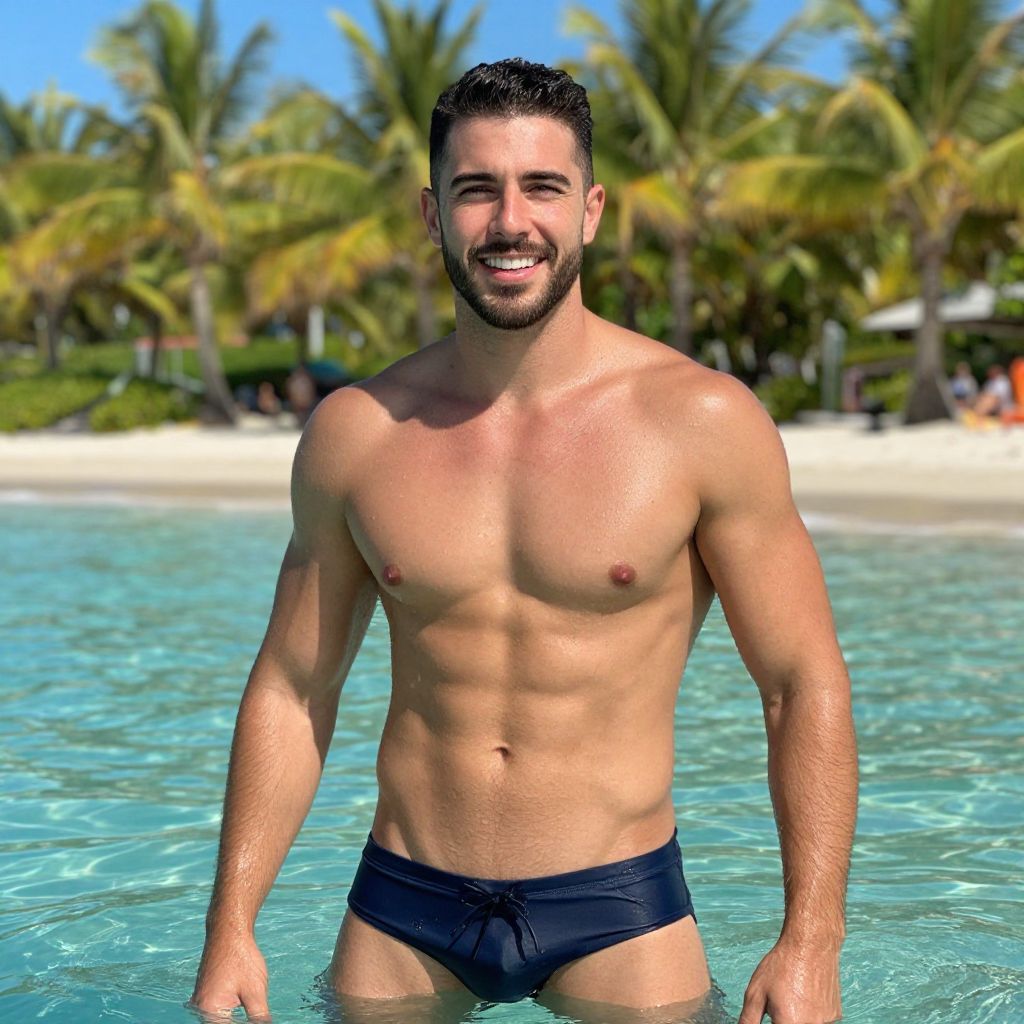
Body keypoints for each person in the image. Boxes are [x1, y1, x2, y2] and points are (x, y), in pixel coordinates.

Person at [192, 59, 857, 1024]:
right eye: (476, 190)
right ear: (432, 214)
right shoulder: (358, 433)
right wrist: (230, 929)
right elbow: (294, 688)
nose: (510, 222)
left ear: (590, 210)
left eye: (541, 187)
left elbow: (802, 683)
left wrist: (811, 941)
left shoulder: (701, 422)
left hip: (619, 905)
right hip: (402, 906)